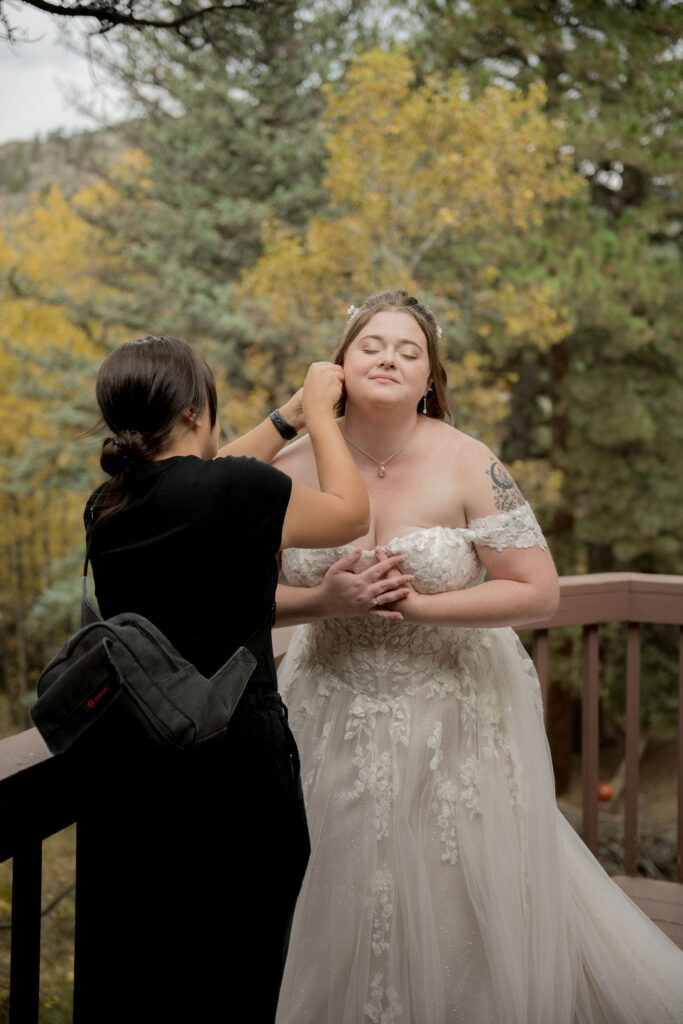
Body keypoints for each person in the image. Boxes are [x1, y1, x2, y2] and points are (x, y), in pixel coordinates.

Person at [272, 290, 683, 1024]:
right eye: (371, 345)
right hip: (326, 708)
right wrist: (322, 601)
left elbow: (537, 591)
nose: (389, 358)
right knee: (327, 888)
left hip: (450, 717)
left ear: (429, 377)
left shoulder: (469, 462)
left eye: (409, 349)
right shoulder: (290, 466)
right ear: (338, 365)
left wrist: (419, 606)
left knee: (450, 894)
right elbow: (230, 592)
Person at [72, 335, 369, 1024]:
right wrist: (322, 416)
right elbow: (350, 513)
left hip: (139, 769)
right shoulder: (235, 491)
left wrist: (286, 416)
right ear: (196, 409)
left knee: (158, 968)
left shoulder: (107, 507)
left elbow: (205, 477)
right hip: (235, 768)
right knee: (242, 967)